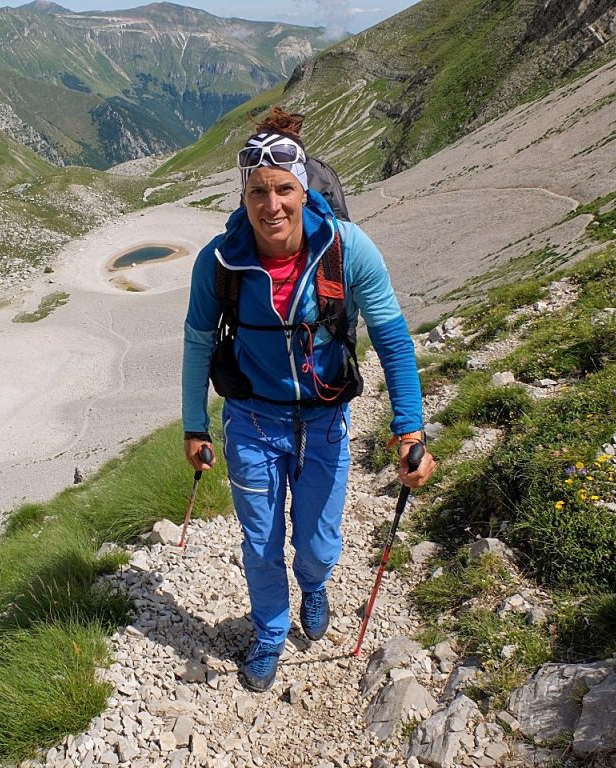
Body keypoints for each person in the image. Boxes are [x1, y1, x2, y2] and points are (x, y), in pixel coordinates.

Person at [181, 108, 436, 693]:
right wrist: (195, 426)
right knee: (259, 540)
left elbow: (393, 337)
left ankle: (315, 584)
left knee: (317, 545)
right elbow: (198, 342)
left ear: (303, 190)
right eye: (257, 192)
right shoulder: (219, 262)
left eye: (283, 190)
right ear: (243, 197)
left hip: (324, 421)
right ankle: (270, 633)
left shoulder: (348, 249)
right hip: (251, 421)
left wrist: (410, 430)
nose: (272, 206)